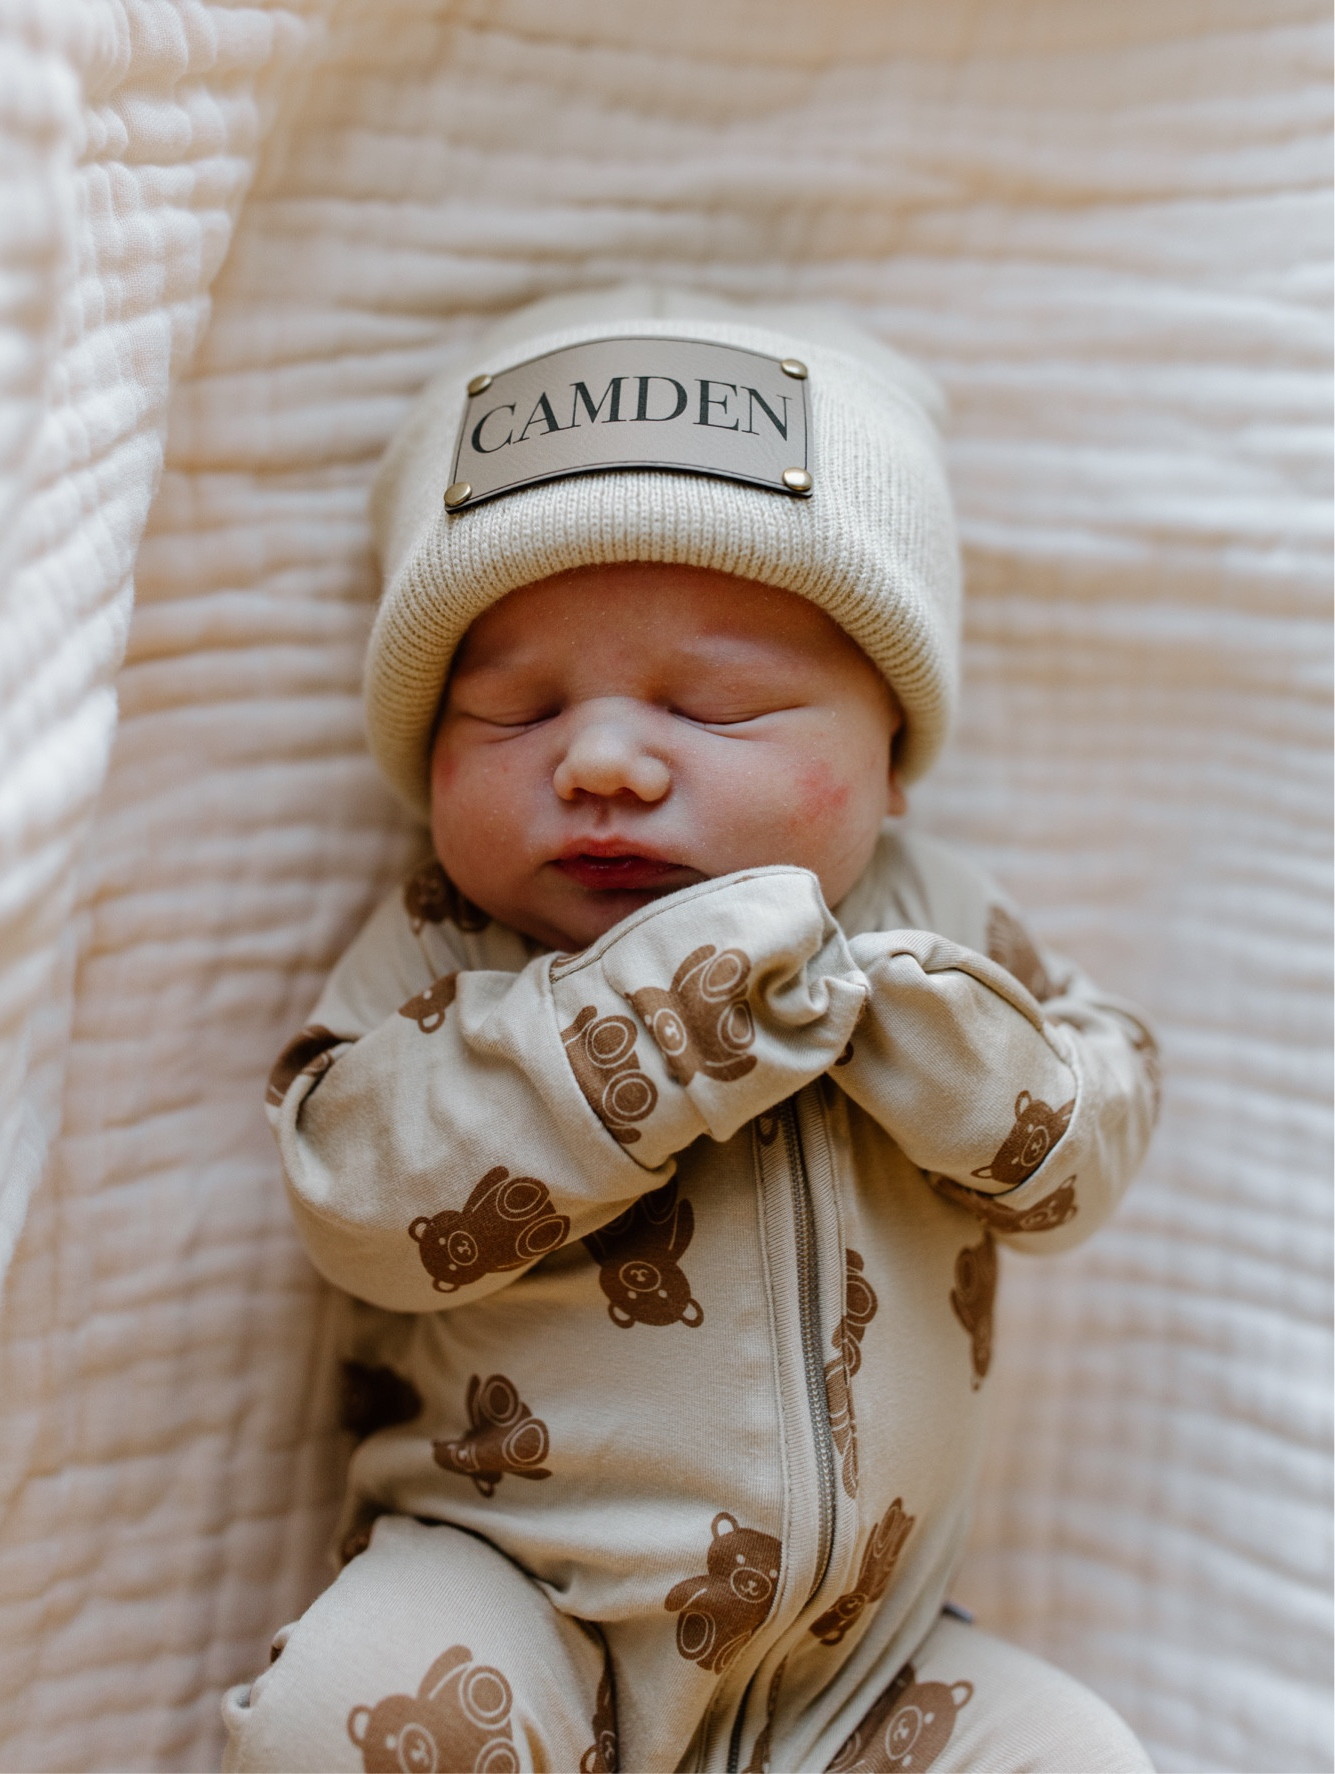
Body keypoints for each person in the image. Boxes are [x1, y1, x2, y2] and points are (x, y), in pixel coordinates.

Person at [222, 286, 1160, 1773]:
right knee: (348, 1705)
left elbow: (1085, 1148)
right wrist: (647, 1029)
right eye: (512, 710)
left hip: (864, 1672)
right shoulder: (444, 945)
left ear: (891, 758)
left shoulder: (940, 926)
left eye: (715, 708)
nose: (596, 758)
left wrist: (961, 1064)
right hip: (513, 1613)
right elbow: (353, 1196)